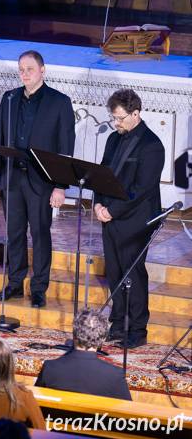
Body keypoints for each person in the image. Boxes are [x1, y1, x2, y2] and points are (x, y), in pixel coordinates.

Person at [0, 50, 74, 308]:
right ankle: (14, 283)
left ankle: (38, 288)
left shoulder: (59, 102)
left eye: (30, 69)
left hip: (41, 182)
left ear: (42, 70)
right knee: (14, 233)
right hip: (11, 178)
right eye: (21, 69)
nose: (25, 74)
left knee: (40, 233)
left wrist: (60, 186)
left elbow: (65, 146)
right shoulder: (10, 98)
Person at [93, 89, 164, 349]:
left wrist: (113, 211)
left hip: (136, 219)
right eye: (114, 118)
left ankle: (137, 329)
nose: (116, 123)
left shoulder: (152, 145)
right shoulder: (113, 139)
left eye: (121, 118)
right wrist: (99, 202)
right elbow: (101, 172)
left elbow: (141, 189)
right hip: (109, 215)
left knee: (132, 272)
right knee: (114, 272)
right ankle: (118, 322)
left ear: (136, 113)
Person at [34, 308, 131, 399]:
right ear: (103, 339)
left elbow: (38, 400)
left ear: (74, 334)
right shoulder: (114, 374)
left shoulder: (50, 367)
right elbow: (127, 411)